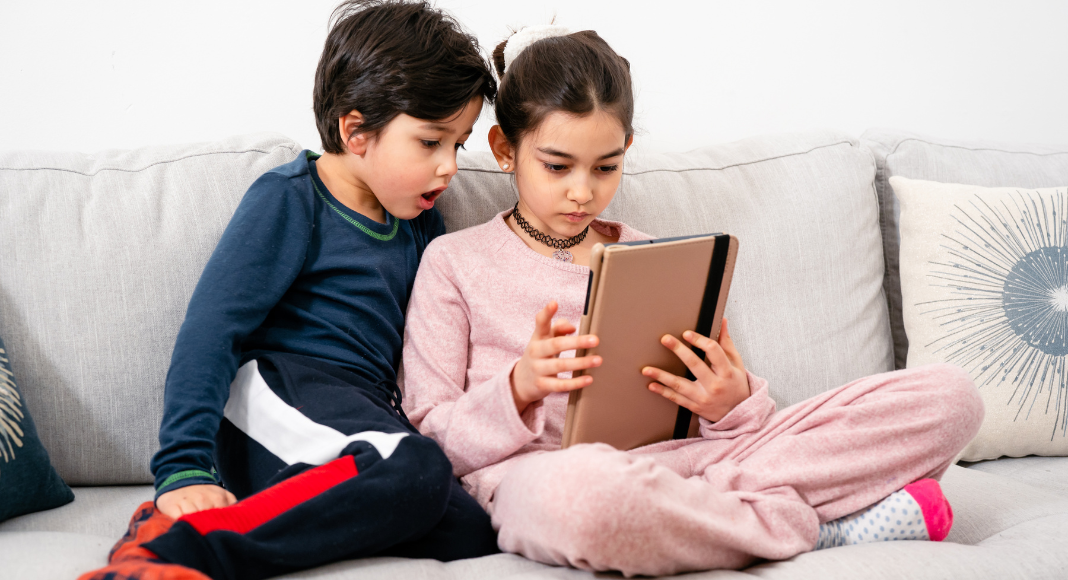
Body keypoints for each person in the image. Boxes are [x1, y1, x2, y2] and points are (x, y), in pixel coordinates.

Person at [400, 24, 985, 577]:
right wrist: (519, 387)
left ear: (627, 148)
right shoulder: (453, 263)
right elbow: (431, 440)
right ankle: (811, 527)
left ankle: (710, 520)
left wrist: (731, 403)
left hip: (698, 468)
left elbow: (737, 427)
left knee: (950, 398)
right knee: (578, 498)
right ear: (505, 149)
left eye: (607, 167)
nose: (583, 192)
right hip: (545, 478)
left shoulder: (656, 257)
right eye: (557, 167)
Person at [79, 2, 500, 579]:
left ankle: (259, 521)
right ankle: (177, 541)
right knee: (413, 468)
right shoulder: (291, 198)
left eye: (459, 143)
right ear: (356, 132)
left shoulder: (423, 222)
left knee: (471, 529)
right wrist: (184, 469)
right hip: (279, 392)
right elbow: (211, 330)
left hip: (360, 414)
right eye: (430, 142)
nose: (449, 166)